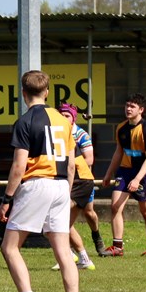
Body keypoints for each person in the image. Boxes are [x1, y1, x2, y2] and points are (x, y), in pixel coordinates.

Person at [0, 70, 83, 292]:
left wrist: (7, 198)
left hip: (37, 184)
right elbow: (71, 165)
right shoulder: (64, 122)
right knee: (63, 251)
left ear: (23, 93)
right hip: (61, 185)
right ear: (47, 92)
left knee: (9, 247)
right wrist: (65, 193)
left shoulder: (25, 121)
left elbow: (18, 166)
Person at [101, 93, 146, 257]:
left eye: (132, 106)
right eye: (127, 105)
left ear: (141, 110)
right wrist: (108, 174)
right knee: (115, 206)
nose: (128, 109)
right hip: (125, 171)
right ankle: (117, 247)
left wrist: (137, 179)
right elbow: (118, 152)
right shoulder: (121, 128)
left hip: (143, 173)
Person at [52, 103, 101, 270]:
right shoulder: (60, 132)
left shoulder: (76, 134)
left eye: (67, 115)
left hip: (80, 181)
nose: (63, 118)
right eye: (61, 115)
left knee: (58, 221)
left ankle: (73, 255)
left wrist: (66, 189)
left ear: (74, 118)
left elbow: (75, 165)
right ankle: (79, 258)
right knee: (63, 224)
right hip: (78, 181)